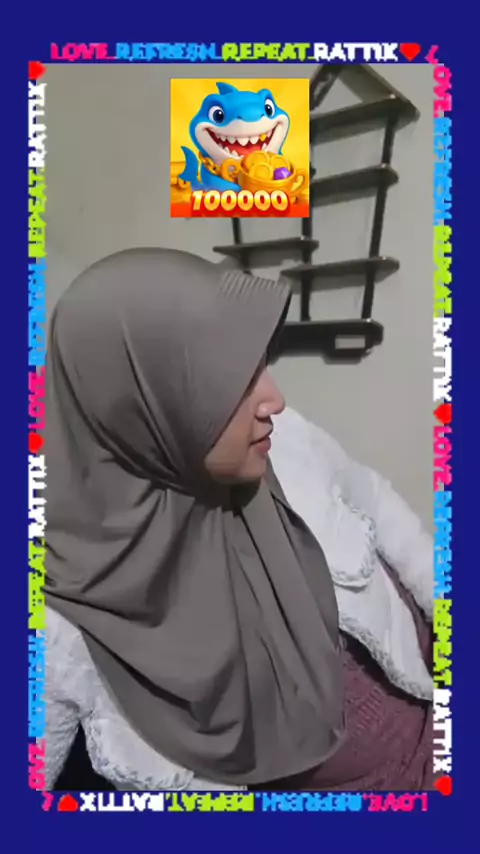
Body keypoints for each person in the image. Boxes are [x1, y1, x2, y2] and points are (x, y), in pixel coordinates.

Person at [44, 248, 433, 792]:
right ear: (138, 408)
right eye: (231, 379)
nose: (274, 399)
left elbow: (375, 500)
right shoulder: (62, 625)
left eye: (261, 366)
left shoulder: (282, 442)